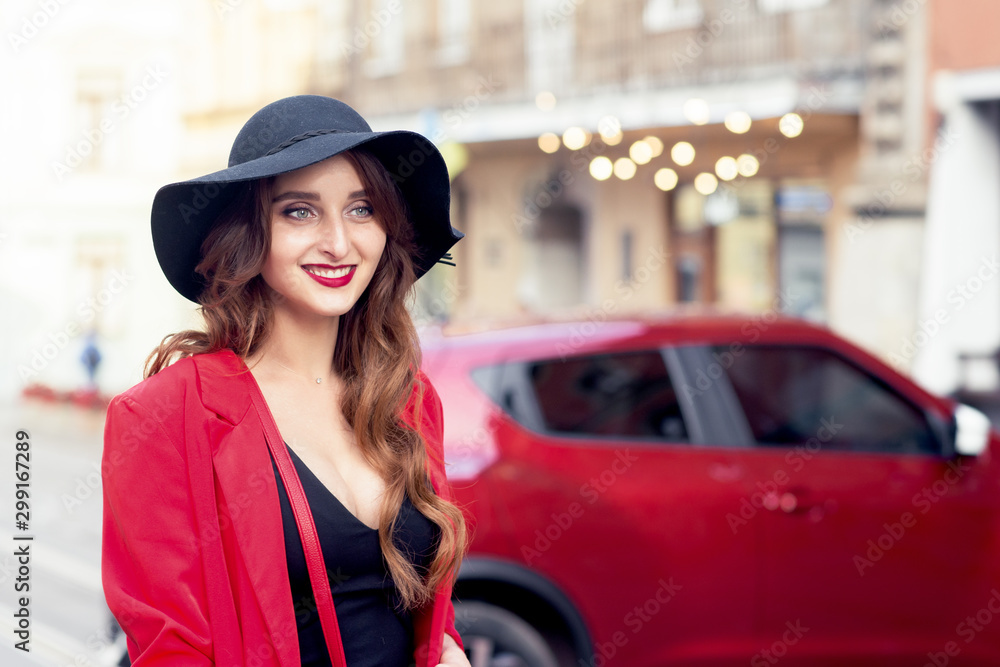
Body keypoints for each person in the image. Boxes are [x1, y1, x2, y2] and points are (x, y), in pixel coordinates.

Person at [101, 95, 471, 667]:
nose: (339, 243)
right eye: (300, 211)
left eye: (361, 209)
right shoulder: (165, 415)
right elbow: (169, 647)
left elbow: (424, 605)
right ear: (250, 234)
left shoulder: (410, 397)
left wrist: (446, 649)